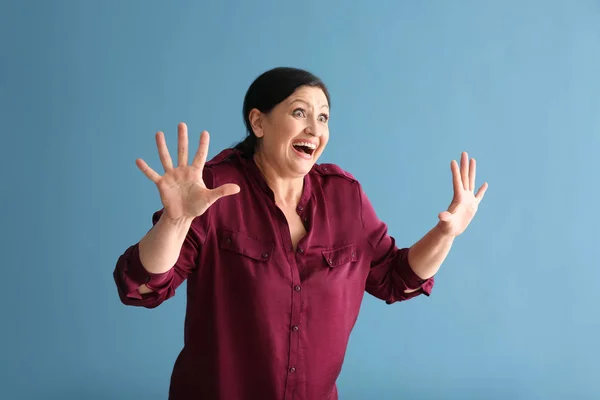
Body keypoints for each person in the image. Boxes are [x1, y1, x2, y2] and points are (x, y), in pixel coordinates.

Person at [113, 66, 488, 400]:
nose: (315, 129)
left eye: (323, 117)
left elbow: (396, 278)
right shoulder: (214, 189)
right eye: (299, 113)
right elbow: (144, 286)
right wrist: (175, 222)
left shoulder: (345, 195)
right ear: (258, 123)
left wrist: (445, 234)